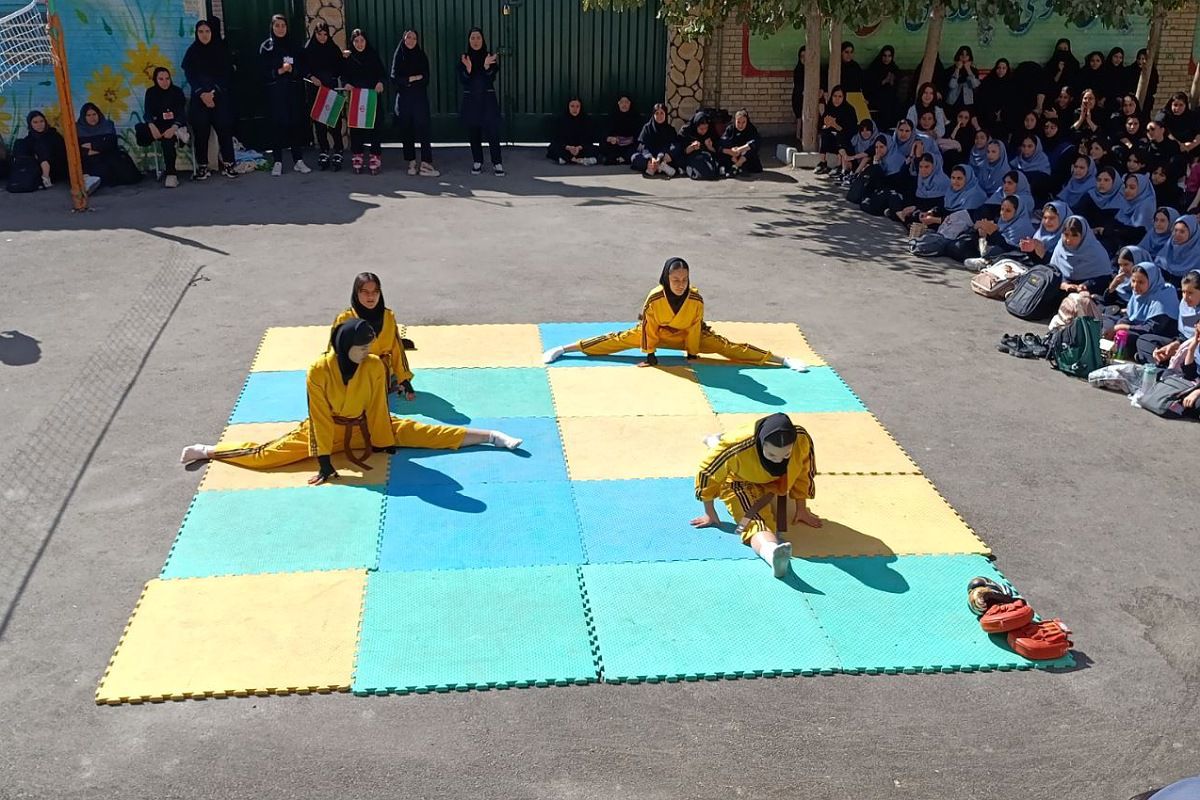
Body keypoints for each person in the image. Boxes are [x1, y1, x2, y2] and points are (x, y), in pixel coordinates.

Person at [180, 320, 523, 483]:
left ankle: (490, 436)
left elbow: (377, 408)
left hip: (367, 429)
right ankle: (208, 450)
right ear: (344, 346)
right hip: (324, 432)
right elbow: (318, 416)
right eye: (361, 348)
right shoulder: (318, 369)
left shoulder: (373, 365)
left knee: (428, 434)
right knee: (267, 457)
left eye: (369, 347)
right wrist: (325, 462)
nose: (366, 353)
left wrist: (385, 441)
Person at [542, 258, 810, 370]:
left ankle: (782, 360)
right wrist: (650, 356)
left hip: (686, 337)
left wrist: (692, 354)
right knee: (615, 341)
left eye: (684, 279)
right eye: (675, 279)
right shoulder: (655, 297)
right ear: (666, 278)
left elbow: (695, 325)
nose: (680, 283)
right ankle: (565, 348)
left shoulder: (695, 298)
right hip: (655, 335)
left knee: (730, 348)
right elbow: (647, 327)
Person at [691, 413, 820, 578]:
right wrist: (710, 513)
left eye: (785, 455)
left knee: (724, 450)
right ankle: (772, 553)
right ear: (761, 444)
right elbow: (707, 474)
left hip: (773, 482)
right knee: (753, 521)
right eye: (772, 455)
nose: (778, 460)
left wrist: (801, 507)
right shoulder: (737, 447)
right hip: (739, 481)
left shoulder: (800, 439)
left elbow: (805, 472)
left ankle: (713, 440)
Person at [331, 273, 414, 399]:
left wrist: (404, 379)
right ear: (356, 293)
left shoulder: (388, 316)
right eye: (365, 292)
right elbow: (334, 352)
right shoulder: (345, 318)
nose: (371, 297)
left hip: (382, 371)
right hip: (354, 371)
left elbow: (397, 349)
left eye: (375, 292)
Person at [182, 18, 237, 179]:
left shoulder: (220, 50)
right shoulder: (192, 52)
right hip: (200, 99)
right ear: (196, 33)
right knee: (201, 133)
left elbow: (226, 74)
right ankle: (203, 166)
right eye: (201, 32)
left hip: (219, 97)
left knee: (224, 130)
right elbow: (190, 75)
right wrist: (202, 94)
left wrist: (213, 93)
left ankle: (229, 164)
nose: (204, 35)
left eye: (207, 31)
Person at [259, 14, 311, 176]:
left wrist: (292, 70)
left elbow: (303, 68)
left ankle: (298, 160)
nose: (280, 29)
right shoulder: (266, 47)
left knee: (295, 125)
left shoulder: (294, 46)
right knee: (277, 126)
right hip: (275, 94)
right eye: (277, 26)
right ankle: (278, 161)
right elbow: (261, 71)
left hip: (293, 92)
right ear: (272, 27)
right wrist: (279, 71)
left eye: (283, 25)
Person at [390, 29, 437, 177]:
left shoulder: (421, 56)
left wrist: (409, 80)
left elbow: (426, 78)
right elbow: (394, 78)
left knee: (424, 129)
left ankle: (425, 164)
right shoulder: (399, 56)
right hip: (404, 99)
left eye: (414, 38)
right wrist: (412, 79)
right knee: (406, 130)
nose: (411, 41)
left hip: (419, 98)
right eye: (408, 37)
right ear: (403, 39)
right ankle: (411, 161)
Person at [458, 26, 504, 176]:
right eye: (472, 38)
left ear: (482, 39)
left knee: (492, 131)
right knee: (474, 132)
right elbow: (463, 80)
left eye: (478, 37)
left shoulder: (488, 56)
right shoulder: (465, 58)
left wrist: (485, 66)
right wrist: (469, 69)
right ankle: (477, 161)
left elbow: (491, 77)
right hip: (471, 100)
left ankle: (497, 163)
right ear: (469, 40)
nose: (475, 41)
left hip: (487, 100)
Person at [1108, 261, 1179, 355]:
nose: (1135, 286)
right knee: (1106, 321)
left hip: (1158, 337)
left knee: (1130, 338)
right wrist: (1119, 325)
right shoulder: (1139, 295)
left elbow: (1151, 329)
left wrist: (1122, 327)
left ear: (1152, 280)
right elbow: (1130, 316)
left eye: (1141, 282)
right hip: (1140, 330)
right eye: (1133, 281)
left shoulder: (1164, 296)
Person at [343, 28, 386, 175]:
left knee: (375, 126)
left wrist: (380, 83)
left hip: (372, 96)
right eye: (356, 41)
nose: (359, 44)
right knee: (356, 127)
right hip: (357, 97)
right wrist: (346, 84)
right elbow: (344, 75)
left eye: (362, 41)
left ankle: (375, 155)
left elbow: (382, 73)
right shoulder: (349, 58)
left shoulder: (373, 55)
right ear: (352, 42)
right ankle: (358, 154)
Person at [303, 21, 345, 171]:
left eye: (325, 34)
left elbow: (341, 67)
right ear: (315, 34)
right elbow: (304, 67)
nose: (322, 37)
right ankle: (324, 150)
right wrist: (311, 76)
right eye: (319, 34)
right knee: (319, 123)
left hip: (331, 88)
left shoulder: (333, 49)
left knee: (334, 121)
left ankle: (338, 149)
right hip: (316, 90)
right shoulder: (309, 48)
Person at [1139, 270, 1199, 365]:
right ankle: (1159, 369)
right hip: (1186, 349)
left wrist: (1181, 350)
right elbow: (1184, 336)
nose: (1185, 297)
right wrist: (1174, 345)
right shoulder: (1185, 306)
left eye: (1190, 293)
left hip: (1195, 356)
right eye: (1183, 292)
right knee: (1144, 341)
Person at [143, 67, 189, 189]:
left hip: (174, 125)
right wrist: (152, 125)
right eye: (161, 79)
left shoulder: (177, 92)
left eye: (167, 78)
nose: (165, 82)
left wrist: (173, 128)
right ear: (155, 80)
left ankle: (171, 174)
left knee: (167, 141)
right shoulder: (151, 92)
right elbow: (147, 112)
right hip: (158, 124)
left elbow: (182, 114)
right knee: (141, 131)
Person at [74, 103, 139, 188]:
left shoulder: (107, 125)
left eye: (94, 114)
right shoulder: (78, 128)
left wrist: (92, 145)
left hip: (108, 156)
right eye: (88, 115)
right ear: (84, 117)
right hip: (90, 159)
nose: (92, 118)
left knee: (120, 164)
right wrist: (100, 146)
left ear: (98, 114)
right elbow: (78, 148)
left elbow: (111, 143)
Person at [963, 195, 1033, 268]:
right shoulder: (1002, 222)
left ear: (1017, 212)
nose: (1003, 213)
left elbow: (1007, 247)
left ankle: (986, 262)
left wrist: (993, 233)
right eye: (1002, 209)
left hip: (1013, 259)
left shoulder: (1022, 227)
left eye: (1008, 211)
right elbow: (987, 248)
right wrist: (981, 233)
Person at [1051, 215, 1115, 294]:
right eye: (1066, 234)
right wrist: (1064, 284)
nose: (1068, 240)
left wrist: (1086, 285)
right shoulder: (1059, 249)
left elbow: (1104, 278)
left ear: (1084, 236)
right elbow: (1053, 271)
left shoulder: (1097, 252)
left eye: (1074, 235)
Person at [815, 85, 857, 177]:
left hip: (846, 138)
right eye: (835, 96)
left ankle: (839, 165)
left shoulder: (849, 109)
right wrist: (826, 126)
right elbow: (822, 123)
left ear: (844, 97)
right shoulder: (829, 107)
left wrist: (835, 125)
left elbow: (850, 129)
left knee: (839, 135)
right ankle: (822, 162)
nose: (837, 99)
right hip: (831, 137)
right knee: (825, 133)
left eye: (840, 96)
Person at [19, 110, 67, 189]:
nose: (39, 125)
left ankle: (46, 177)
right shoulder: (29, 139)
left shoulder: (53, 134)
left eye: (42, 121)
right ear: (30, 124)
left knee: (41, 146)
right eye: (35, 122)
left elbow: (62, 151)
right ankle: (45, 177)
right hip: (39, 169)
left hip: (57, 166)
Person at [546, 96, 598, 165]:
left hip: (581, 149)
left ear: (580, 107)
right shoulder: (561, 119)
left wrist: (579, 148)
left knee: (596, 149)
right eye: (572, 106)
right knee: (552, 148)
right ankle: (577, 160)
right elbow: (557, 138)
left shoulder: (586, 120)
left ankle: (567, 159)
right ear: (568, 107)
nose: (575, 109)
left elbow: (589, 139)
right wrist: (568, 147)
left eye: (577, 106)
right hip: (567, 148)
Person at [631, 103, 678, 177]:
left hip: (664, 156)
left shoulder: (670, 129)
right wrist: (651, 158)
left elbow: (673, 144)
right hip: (650, 157)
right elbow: (642, 145)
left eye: (662, 113)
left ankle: (654, 168)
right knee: (634, 157)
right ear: (653, 115)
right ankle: (657, 167)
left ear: (666, 115)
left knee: (677, 153)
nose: (659, 116)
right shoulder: (647, 128)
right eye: (657, 113)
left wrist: (661, 156)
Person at [976, 59, 1019, 135]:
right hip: (988, 117)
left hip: (1006, 119)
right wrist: (993, 112)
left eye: (1003, 68)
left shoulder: (1012, 83)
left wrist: (1002, 112)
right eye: (998, 68)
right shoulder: (988, 81)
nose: (1001, 70)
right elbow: (982, 99)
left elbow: (1013, 102)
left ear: (1007, 69)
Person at [675, 110, 721, 180]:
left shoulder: (710, 131)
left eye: (706, 128)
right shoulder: (686, 131)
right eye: (701, 129)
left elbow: (717, 149)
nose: (704, 131)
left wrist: (710, 147)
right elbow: (681, 151)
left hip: (707, 156)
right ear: (696, 125)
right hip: (691, 157)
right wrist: (691, 147)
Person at [863, 45, 900, 127]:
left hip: (889, 97)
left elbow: (896, 87)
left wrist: (892, 82)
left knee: (895, 104)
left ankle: (892, 128)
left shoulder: (894, 69)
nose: (886, 58)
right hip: (874, 97)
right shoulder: (875, 67)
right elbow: (869, 86)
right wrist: (883, 81)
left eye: (889, 56)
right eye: (884, 56)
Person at [718, 108, 762, 175]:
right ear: (735, 121)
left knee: (752, 148)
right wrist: (731, 152)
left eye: (743, 122)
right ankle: (737, 167)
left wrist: (740, 149)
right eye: (738, 122)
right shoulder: (730, 129)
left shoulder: (751, 128)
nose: (740, 125)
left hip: (745, 156)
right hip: (732, 155)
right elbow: (722, 142)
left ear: (747, 121)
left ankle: (736, 166)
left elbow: (755, 142)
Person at [599, 95, 640, 166]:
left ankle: (619, 159)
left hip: (629, 146)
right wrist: (610, 138)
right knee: (604, 147)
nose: (624, 105)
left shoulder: (635, 117)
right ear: (618, 104)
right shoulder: (612, 116)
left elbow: (639, 135)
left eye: (626, 102)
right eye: (622, 102)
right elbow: (604, 133)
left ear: (630, 104)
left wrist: (629, 140)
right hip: (615, 145)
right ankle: (619, 159)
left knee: (634, 152)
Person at [1157, 216, 1200, 284]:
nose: (1177, 234)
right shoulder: (1169, 247)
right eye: (1175, 230)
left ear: (1192, 234)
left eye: (1182, 232)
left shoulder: (1197, 256)